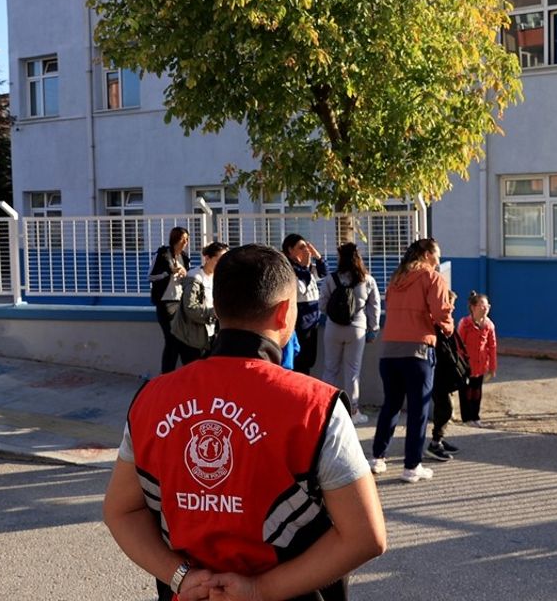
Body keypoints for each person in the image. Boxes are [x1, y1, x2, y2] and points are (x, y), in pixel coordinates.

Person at [103, 244, 387, 601]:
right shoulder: (317, 407)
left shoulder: (150, 399)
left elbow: (120, 510)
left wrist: (180, 577)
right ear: (285, 313)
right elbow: (366, 536)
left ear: (218, 308)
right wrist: (258, 589)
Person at [370, 238, 454, 483]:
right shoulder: (433, 278)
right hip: (418, 350)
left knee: (391, 405)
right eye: (437, 255)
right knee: (418, 409)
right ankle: (411, 466)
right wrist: (448, 328)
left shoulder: (396, 279)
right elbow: (441, 313)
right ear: (428, 254)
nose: (438, 261)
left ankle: (377, 458)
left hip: (389, 351)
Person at [319, 243, 380, 424]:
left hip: (333, 328)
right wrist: (373, 329)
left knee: (330, 369)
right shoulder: (367, 280)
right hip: (357, 329)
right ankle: (353, 412)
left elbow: (322, 305)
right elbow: (374, 307)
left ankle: (325, 410)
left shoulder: (331, 279)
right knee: (352, 372)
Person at [171, 242, 229, 364]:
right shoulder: (195, 278)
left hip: (208, 335)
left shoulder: (216, 277)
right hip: (191, 337)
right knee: (193, 374)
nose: (222, 265)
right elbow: (191, 308)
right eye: (218, 261)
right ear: (207, 258)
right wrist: (215, 313)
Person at [427, 291, 466, 463]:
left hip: (443, 375)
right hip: (436, 374)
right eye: (450, 303)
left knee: (443, 408)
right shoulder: (436, 324)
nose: (453, 307)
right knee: (445, 409)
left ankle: (438, 439)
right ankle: (435, 444)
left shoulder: (446, 324)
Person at [282, 233, 327, 376]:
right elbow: (301, 287)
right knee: (300, 359)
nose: (305, 251)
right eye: (301, 248)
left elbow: (322, 274)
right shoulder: (289, 268)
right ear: (290, 250)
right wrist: (305, 268)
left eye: (306, 247)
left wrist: (318, 257)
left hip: (312, 319)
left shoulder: (305, 267)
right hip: (300, 319)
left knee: (309, 359)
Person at [148, 226, 191, 374]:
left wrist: (186, 274)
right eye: (183, 239)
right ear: (175, 239)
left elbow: (187, 279)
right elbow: (151, 276)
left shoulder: (184, 257)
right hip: (166, 303)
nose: (185, 242)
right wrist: (168, 272)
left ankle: (183, 373)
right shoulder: (163, 254)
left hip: (180, 302)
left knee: (182, 340)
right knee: (172, 339)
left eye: (187, 239)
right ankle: (167, 374)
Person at [458, 291, 497, 426]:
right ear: (473, 307)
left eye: (487, 306)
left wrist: (492, 368)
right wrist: (460, 365)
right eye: (482, 305)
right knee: (466, 393)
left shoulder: (489, 325)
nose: (485, 308)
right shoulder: (465, 324)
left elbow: (492, 347)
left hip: (480, 366)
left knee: (477, 392)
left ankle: (475, 416)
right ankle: (466, 418)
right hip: (466, 366)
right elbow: (458, 346)